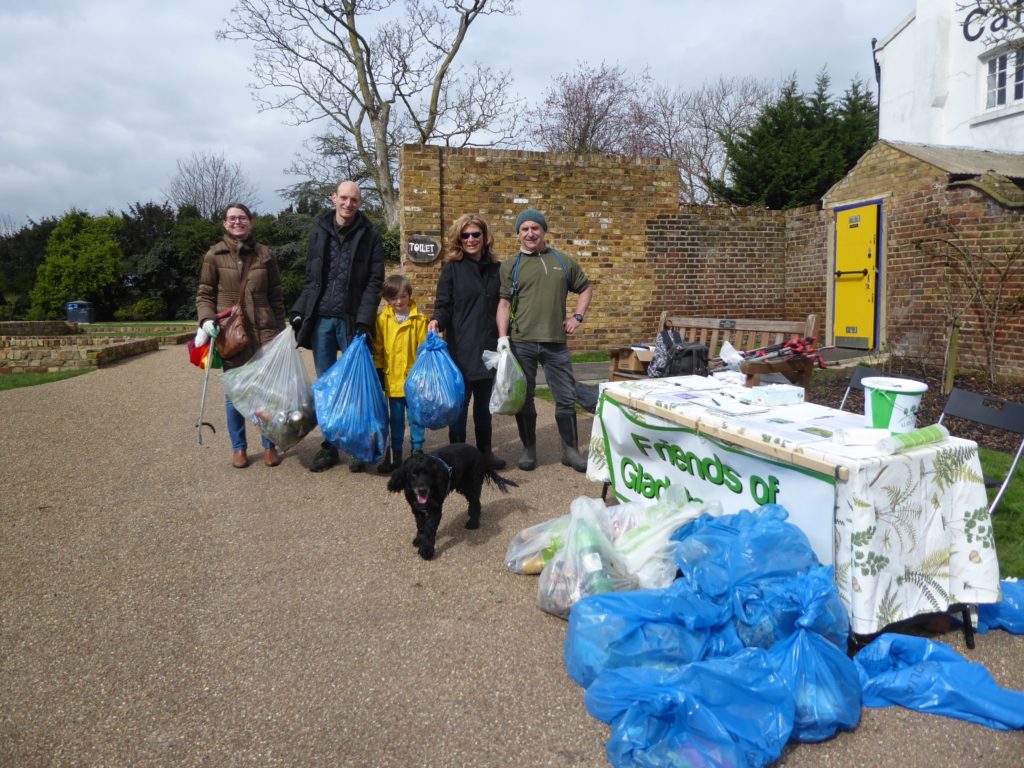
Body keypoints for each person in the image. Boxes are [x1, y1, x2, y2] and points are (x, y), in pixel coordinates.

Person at [290, 181, 385, 473]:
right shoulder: (319, 231)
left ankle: (356, 445)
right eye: (343, 198)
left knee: (355, 387)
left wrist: (364, 320)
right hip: (321, 321)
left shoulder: (371, 236)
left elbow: (374, 283)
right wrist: (299, 311)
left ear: (360, 203)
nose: (348, 204)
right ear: (334, 198)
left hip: (352, 320)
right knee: (327, 388)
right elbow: (312, 279)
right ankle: (330, 446)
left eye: (354, 200)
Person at [496, 208, 593, 472]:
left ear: (543, 230)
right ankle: (529, 449)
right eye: (524, 229)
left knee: (565, 396)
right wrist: (503, 338)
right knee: (524, 399)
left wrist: (577, 317)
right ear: (518, 234)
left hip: (555, 343)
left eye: (535, 228)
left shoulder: (563, 262)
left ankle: (570, 451)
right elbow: (504, 304)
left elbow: (585, 289)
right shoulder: (511, 267)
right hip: (522, 343)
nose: (530, 233)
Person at [196, 203, 286, 469]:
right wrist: (207, 320)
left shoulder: (265, 255)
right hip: (231, 334)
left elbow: (276, 295)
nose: (237, 222)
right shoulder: (214, 255)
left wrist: (280, 332)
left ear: (251, 222)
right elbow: (205, 294)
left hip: (264, 330)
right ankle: (239, 448)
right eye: (232, 218)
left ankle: (269, 444)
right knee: (235, 394)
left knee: (266, 392)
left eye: (242, 218)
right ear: (225, 223)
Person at [427, 214, 506, 469]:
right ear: (458, 239)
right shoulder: (452, 268)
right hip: (460, 350)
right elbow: (444, 305)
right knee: (459, 409)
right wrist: (437, 321)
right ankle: (456, 455)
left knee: (484, 409)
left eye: (476, 234)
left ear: (485, 237)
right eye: (465, 235)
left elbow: (504, 305)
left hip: (488, 349)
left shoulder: (497, 269)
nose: (471, 239)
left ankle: (485, 453)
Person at [373, 274, 428, 473]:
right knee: (395, 419)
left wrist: (423, 375)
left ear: (409, 296)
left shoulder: (419, 319)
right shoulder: (382, 320)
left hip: (414, 380)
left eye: (403, 297)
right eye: (394, 298)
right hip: (393, 379)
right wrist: (379, 370)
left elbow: (423, 350)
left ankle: (417, 451)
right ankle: (396, 453)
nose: (399, 301)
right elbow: (379, 348)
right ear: (387, 299)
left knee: (415, 418)